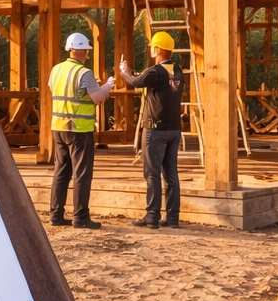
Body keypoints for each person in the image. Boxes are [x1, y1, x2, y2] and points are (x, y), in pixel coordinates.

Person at [119, 31, 185, 229]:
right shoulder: (178, 70)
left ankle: (152, 216)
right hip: (174, 130)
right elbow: (149, 82)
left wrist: (124, 72)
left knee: (152, 174)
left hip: (155, 130)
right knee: (171, 175)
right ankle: (173, 218)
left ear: (157, 49)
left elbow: (136, 82)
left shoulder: (155, 72)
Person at [48, 33, 115, 229]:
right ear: (81, 50)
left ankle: (56, 214)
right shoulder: (84, 73)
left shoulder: (56, 70)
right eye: (86, 50)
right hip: (80, 129)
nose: (87, 53)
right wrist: (108, 86)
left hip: (58, 127)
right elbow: (98, 98)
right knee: (82, 174)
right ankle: (81, 216)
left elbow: (56, 91)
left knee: (61, 172)